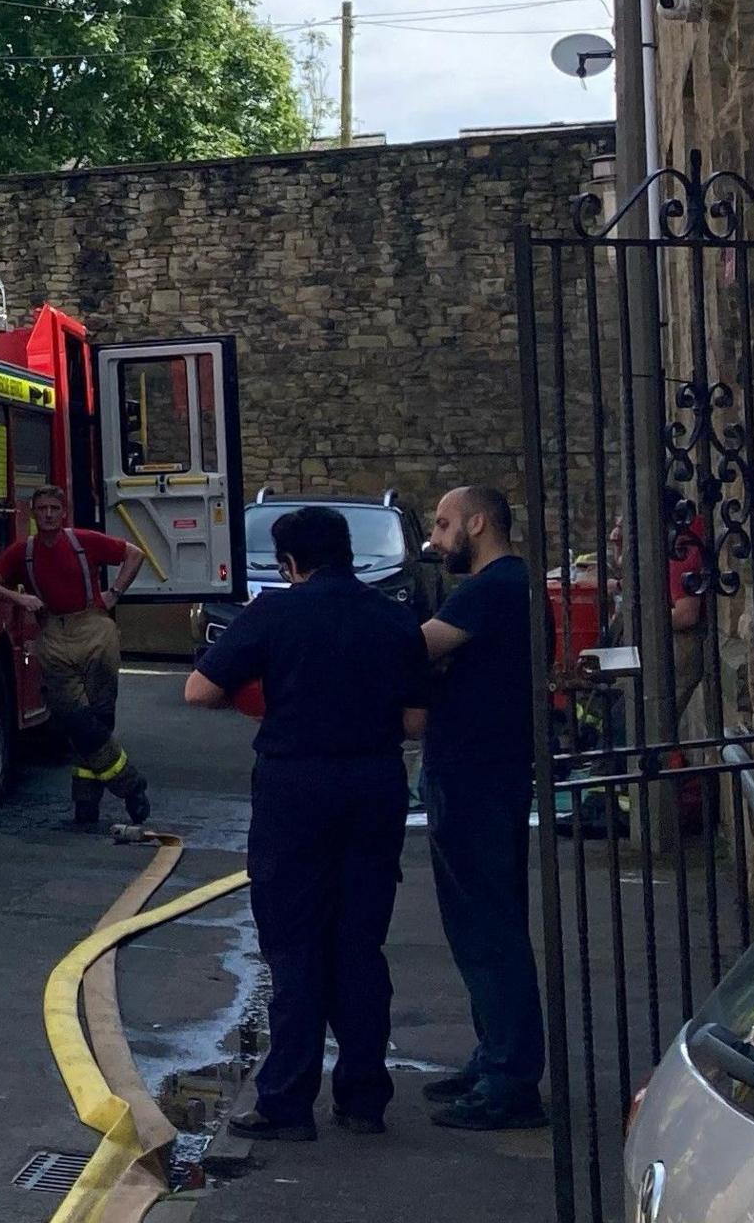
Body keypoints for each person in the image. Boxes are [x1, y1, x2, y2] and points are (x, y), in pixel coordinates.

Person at [185, 503, 430, 1143]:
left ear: (289, 562)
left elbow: (200, 691)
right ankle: (363, 1098)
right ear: (347, 552)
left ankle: (287, 1102)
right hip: (374, 784)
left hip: (296, 785)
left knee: (294, 945)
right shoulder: (393, 617)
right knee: (358, 943)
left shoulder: (275, 611)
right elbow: (414, 721)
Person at [416, 484, 547, 1132]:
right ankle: (495, 1055)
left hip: (475, 773)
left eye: (443, 525)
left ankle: (509, 1078)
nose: (435, 539)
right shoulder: (509, 587)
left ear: (477, 522)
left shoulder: (493, 588)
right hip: (478, 768)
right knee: (479, 925)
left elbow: (414, 650)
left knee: (488, 926)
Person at [0, 485, 153, 830]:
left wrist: (114, 593)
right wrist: (18, 600)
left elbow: (135, 554)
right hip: (53, 635)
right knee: (74, 718)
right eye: (41, 508)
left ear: (64, 512)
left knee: (100, 719)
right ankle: (130, 784)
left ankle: (85, 805)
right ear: (32, 513)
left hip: (93, 628)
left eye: (53, 508)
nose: (47, 514)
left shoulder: (84, 541)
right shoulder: (22, 552)